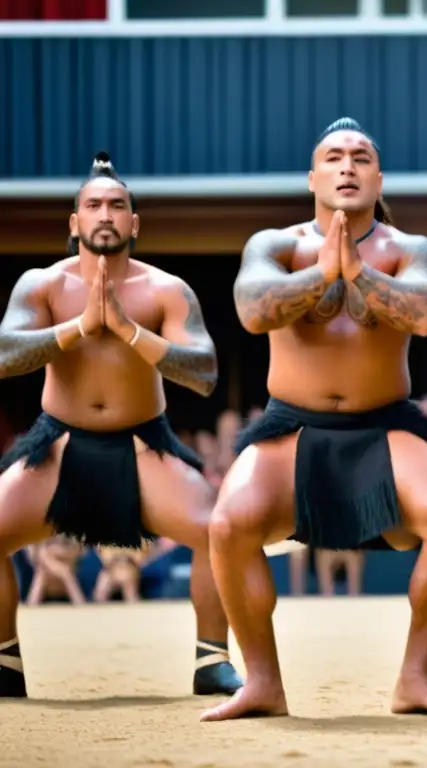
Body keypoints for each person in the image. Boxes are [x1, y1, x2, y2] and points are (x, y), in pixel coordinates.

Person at [201, 118, 427, 722]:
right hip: (290, 425)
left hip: (387, 424)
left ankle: (415, 678)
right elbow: (251, 310)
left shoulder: (411, 249)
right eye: (333, 157)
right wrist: (324, 271)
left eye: (360, 158)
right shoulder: (274, 244)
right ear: (313, 177)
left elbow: (426, 315)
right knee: (228, 522)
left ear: (379, 178)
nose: (347, 166)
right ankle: (263, 681)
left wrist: (357, 271)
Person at [0, 152, 242, 699]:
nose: (105, 213)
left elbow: (203, 372)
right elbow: (5, 354)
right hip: (59, 444)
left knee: (218, 531)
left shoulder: (165, 289)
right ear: (75, 223)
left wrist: (130, 330)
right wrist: (81, 326)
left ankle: (211, 660)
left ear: (134, 223)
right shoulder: (42, 285)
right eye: (93, 205)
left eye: (116, 205)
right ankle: (4, 662)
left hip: (142, 445)